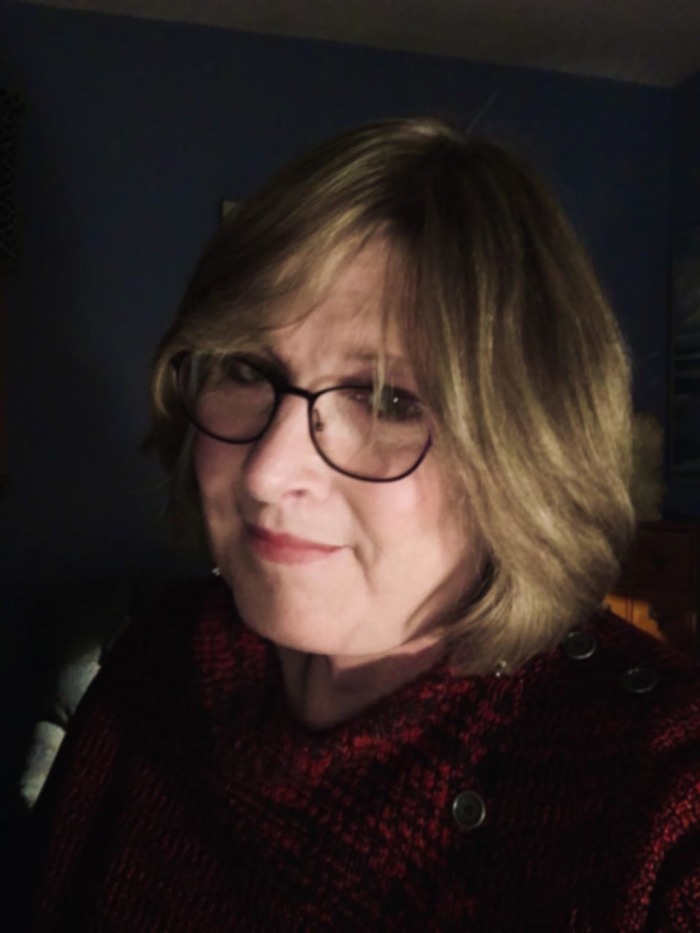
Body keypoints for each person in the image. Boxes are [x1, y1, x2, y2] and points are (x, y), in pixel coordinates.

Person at [26, 117, 700, 930]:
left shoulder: (662, 794)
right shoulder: (152, 669)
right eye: (246, 367)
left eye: (387, 398)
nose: (267, 472)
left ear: (527, 454)